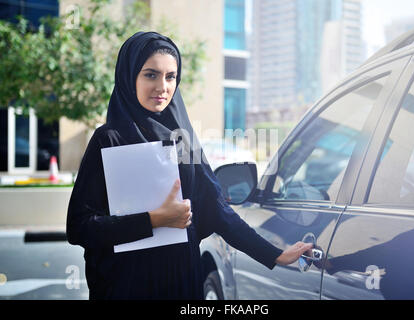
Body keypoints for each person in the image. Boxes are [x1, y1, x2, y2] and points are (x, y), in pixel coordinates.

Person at [66, 31, 313, 300]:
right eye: (151, 74)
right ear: (129, 77)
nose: (163, 87)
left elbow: (218, 210)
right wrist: (155, 220)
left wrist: (275, 254)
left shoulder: (182, 139)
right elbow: (80, 227)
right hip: (124, 286)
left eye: (170, 77)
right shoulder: (108, 140)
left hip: (181, 282)